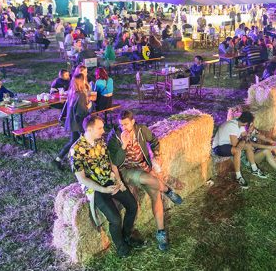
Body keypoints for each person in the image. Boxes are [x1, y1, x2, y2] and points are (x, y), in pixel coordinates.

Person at [107, 111, 183, 251]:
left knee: (155, 195)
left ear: (133, 122)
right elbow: (116, 162)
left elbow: (154, 141)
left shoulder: (142, 130)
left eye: (126, 124)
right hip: (126, 171)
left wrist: (157, 155)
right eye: (121, 125)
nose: (123, 127)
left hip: (142, 166)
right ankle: (167, 190)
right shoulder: (114, 137)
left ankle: (161, 233)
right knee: (147, 178)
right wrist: (123, 145)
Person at [70, 115, 141, 258]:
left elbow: (111, 164)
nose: (103, 131)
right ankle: (120, 246)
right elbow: (81, 178)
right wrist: (103, 189)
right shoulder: (76, 149)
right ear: (89, 129)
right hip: (95, 188)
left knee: (132, 205)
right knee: (115, 219)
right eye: (100, 128)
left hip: (109, 179)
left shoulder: (100, 141)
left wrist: (119, 181)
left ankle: (127, 235)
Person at [211, 112, 268, 189]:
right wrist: (243, 140)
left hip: (228, 144)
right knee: (237, 151)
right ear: (246, 123)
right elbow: (235, 144)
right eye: (250, 123)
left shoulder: (239, 123)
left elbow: (245, 137)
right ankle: (238, 177)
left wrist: (247, 135)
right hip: (219, 147)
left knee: (248, 145)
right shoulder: (232, 126)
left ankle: (254, 169)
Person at [54, 72, 92, 170]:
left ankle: (58, 159)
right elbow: (81, 113)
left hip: (72, 122)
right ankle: (83, 163)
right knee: (85, 142)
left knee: (73, 141)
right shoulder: (81, 95)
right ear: (81, 82)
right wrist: (88, 107)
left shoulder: (72, 92)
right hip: (79, 123)